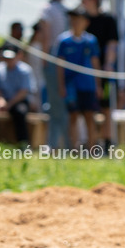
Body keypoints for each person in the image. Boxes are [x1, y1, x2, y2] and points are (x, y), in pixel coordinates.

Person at [78, 0, 118, 149]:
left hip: (103, 71)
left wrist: (108, 65)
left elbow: (112, 45)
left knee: (106, 107)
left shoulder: (108, 19)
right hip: (84, 71)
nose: (82, 0)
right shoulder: (80, 19)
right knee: (87, 109)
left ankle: (107, 142)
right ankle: (90, 142)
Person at [38, 0, 75, 149]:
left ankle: (56, 145)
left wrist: (45, 61)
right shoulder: (66, 11)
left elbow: (45, 37)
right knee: (62, 104)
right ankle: (64, 144)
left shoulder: (47, 9)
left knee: (56, 106)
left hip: (53, 60)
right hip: (67, 63)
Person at [54, 11, 101, 150]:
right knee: (73, 116)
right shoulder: (63, 41)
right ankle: (74, 148)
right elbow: (60, 66)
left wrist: (98, 85)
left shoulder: (91, 41)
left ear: (86, 23)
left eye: (79, 20)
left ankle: (92, 149)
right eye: (73, 20)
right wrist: (61, 85)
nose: (76, 23)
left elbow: (95, 63)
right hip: (71, 86)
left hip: (88, 85)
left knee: (89, 116)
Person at [0, 48, 37, 145]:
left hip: (19, 100)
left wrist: (8, 104)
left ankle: (23, 142)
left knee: (20, 112)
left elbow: (23, 92)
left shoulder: (25, 70)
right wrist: (0, 100)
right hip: (3, 100)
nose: (8, 61)